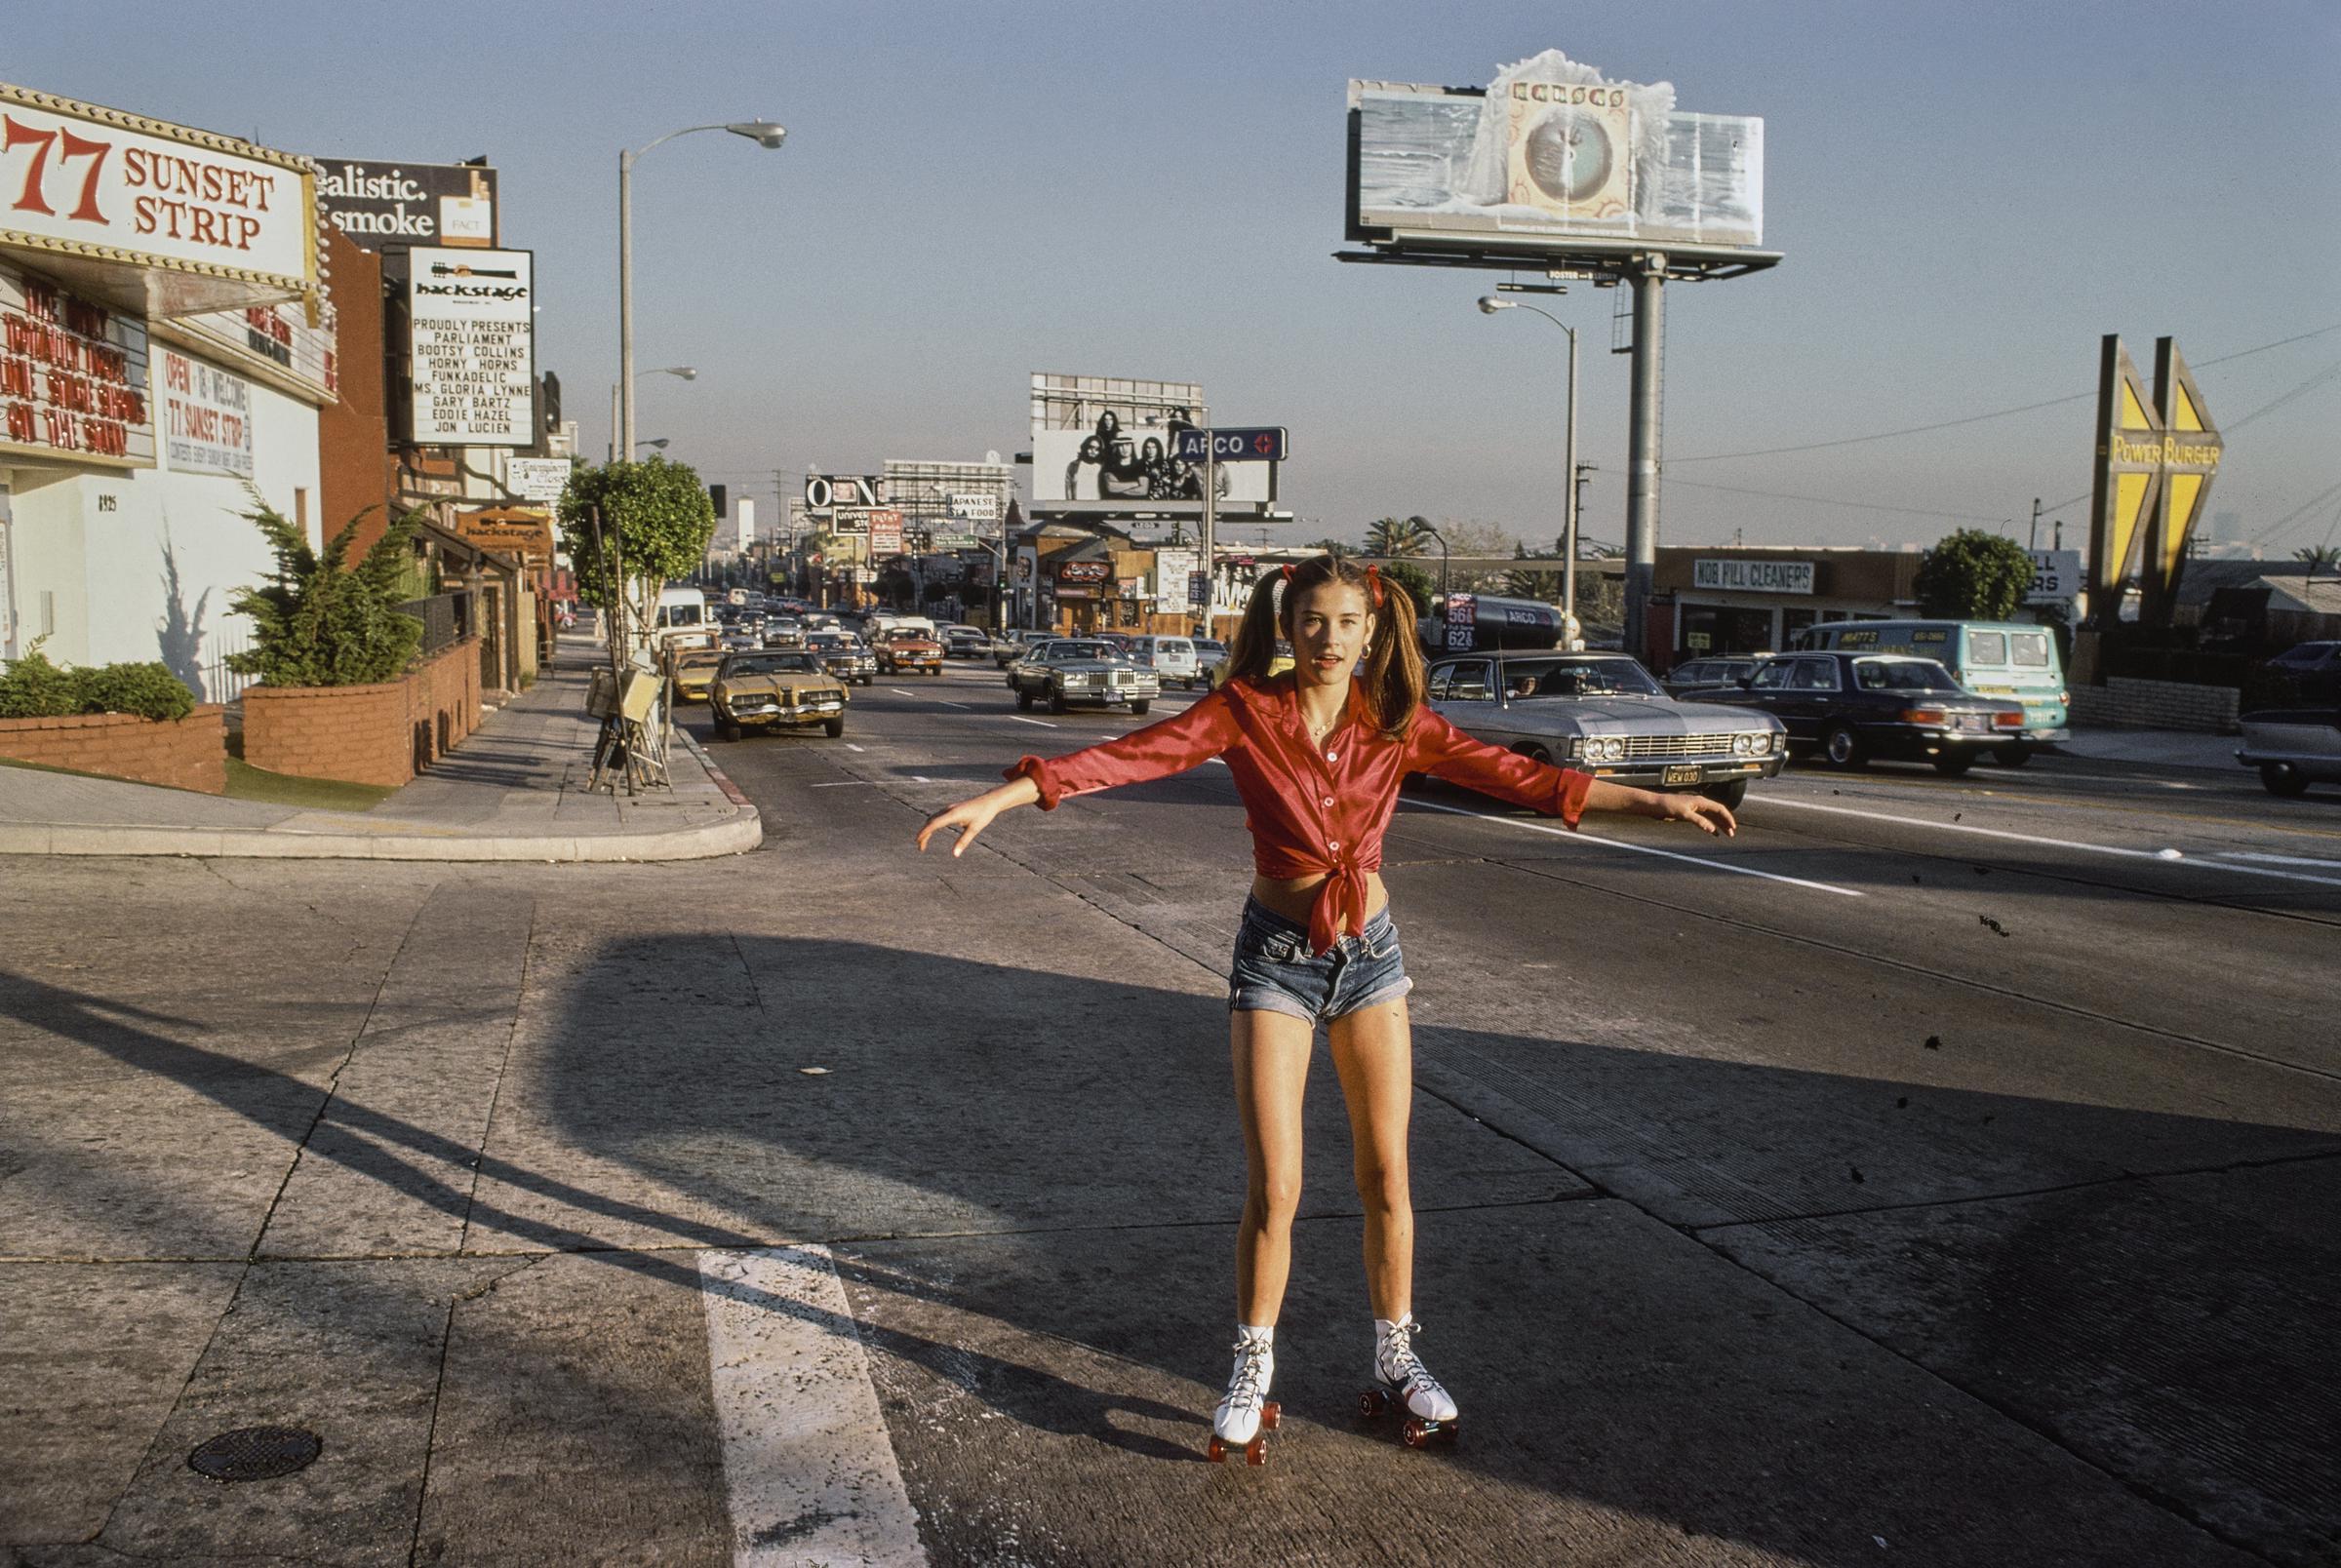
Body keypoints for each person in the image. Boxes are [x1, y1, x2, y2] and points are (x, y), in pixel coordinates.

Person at [913, 554, 1733, 1461]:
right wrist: (1012, 793)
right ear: (1285, 624)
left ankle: (1397, 1356)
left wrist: (1656, 801)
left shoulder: (1397, 723)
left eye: (1346, 623)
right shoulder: (1244, 713)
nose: (1329, 640)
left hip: (1370, 960)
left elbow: (1524, 780)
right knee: (1278, 1187)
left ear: (1372, 631)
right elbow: (1132, 756)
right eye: (1312, 621)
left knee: (1387, 1176)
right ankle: (1253, 1366)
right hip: (1275, 960)